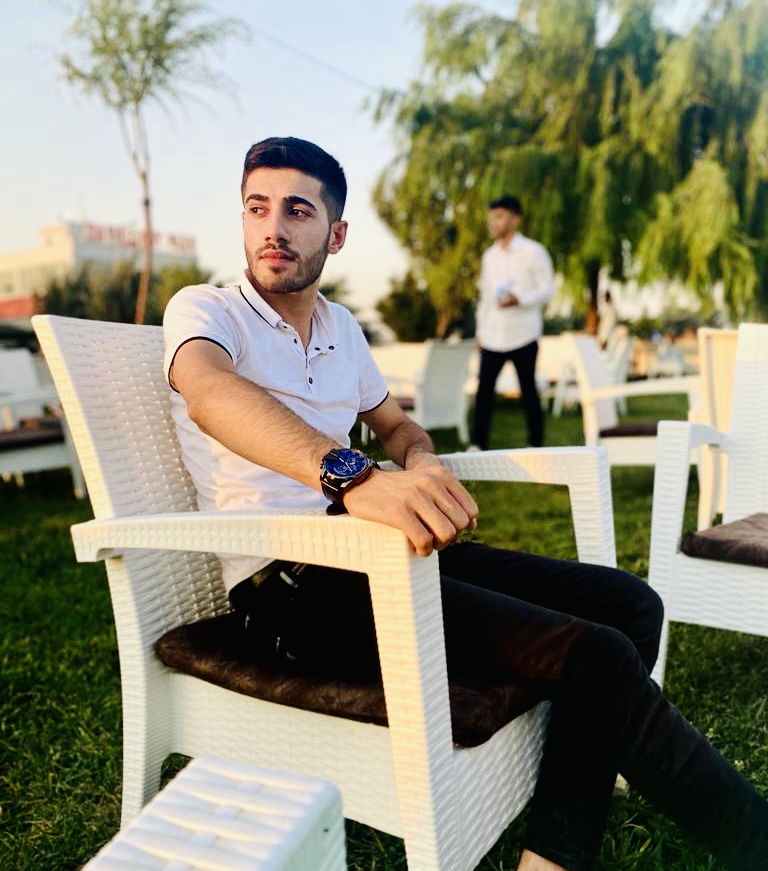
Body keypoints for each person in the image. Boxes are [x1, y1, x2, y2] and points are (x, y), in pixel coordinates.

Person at [163, 136, 768, 871]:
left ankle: (552, 851)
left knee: (630, 603)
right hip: (292, 585)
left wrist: (420, 461)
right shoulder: (207, 310)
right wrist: (356, 477)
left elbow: (399, 426)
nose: (273, 228)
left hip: (383, 551)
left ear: (336, 233)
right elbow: (208, 392)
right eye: (257, 208)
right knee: (597, 655)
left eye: (297, 210)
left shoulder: (341, 328)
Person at [470, 195, 554, 450]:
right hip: (493, 336)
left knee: (528, 391)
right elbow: (486, 297)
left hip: (523, 334)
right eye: (491, 217)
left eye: (499, 216)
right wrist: (480, 333)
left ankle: (536, 445)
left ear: (515, 219)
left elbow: (547, 289)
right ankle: (478, 444)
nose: (493, 222)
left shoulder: (533, 251)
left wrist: (521, 299)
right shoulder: (489, 256)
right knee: (484, 392)